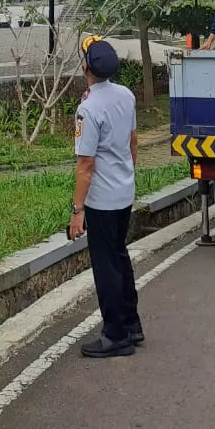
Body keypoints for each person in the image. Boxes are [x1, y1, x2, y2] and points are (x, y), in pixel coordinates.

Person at [68, 37, 142, 359]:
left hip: (101, 200)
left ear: (85, 68)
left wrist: (76, 210)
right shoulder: (125, 96)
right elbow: (133, 141)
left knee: (106, 265)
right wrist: (126, 175)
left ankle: (115, 335)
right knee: (120, 257)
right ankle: (132, 325)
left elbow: (85, 166)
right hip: (124, 192)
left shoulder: (88, 109)